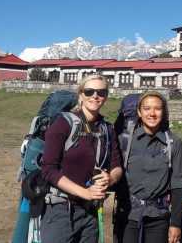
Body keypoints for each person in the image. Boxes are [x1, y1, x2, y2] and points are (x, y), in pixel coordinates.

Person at [40, 74, 123, 243]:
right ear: (80, 94)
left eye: (101, 92)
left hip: (91, 211)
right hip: (61, 211)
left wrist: (111, 178)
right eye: (89, 91)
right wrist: (84, 193)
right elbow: (48, 170)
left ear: (106, 96)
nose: (95, 95)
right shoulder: (63, 124)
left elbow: (116, 164)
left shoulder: (107, 129)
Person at [113, 90, 182, 243]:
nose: (152, 113)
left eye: (157, 108)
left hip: (159, 217)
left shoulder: (174, 142)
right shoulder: (124, 142)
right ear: (139, 112)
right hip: (128, 216)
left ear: (164, 112)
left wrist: (176, 223)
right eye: (147, 108)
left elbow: (178, 184)